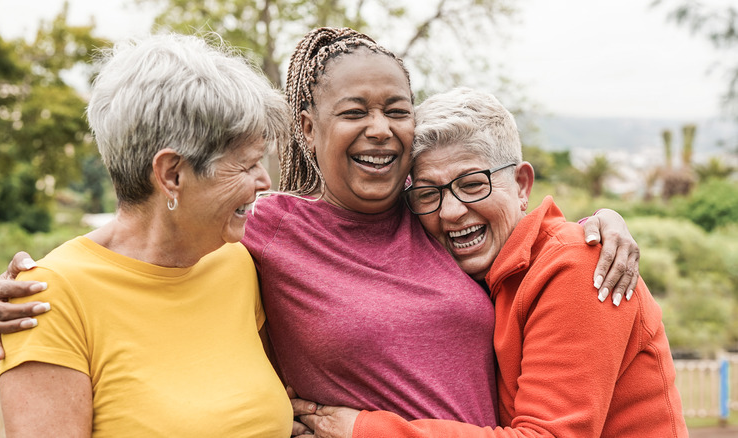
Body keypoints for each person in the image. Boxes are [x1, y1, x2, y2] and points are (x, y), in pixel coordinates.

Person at [0, 27, 640, 432]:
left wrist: (596, 228)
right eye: (354, 111)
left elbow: (512, 230)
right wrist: (27, 291)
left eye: (397, 110)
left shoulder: (434, 213)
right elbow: (134, 254)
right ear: (306, 129)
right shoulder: (259, 238)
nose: (381, 129)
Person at [294, 88, 687, 437]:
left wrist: (362, 429)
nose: (450, 211)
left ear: (521, 185)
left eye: (472, 185)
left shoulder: (577, 266)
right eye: (429, 193)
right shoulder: (481, 273)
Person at [0, 33, 294, 437]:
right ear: (172, 174)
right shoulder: (48, 299)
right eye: (247, 165)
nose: (264, 182)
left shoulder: (236, 259)